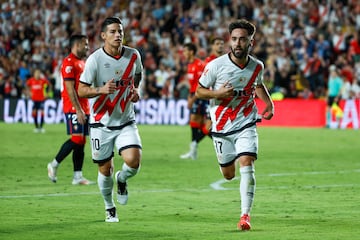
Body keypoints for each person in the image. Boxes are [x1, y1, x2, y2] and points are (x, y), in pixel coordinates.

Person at [196, 19, 274, 231]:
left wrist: (269, 103)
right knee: (228, 174)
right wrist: (218, 93)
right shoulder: (215, 66)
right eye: (234, 39)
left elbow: (258, 84)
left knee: (247, 162)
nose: (238, 43)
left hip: (246, 121)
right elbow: (199, 91)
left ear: (251, 42)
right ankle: (228, 169)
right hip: (221, 127)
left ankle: (245, 216)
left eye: (242, 39)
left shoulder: (257, 66)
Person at [77, 17, 143, 223]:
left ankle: (122, 180)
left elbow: (137, 76)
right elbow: (81, 89)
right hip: (101, 123)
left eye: (120, 31)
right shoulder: (95, 60)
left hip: (125, 121)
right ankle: (109, 207)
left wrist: (135, 91)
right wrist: (101, 90)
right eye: (113, 31)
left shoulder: (134, 55)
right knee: (105, 169)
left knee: (133, 161)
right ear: (103, 36)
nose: (118, 35)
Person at [47, 34, 93, 185]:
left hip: (84, 106)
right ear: (77, 45)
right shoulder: (68, 62)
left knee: (81, 141)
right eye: (85, 44)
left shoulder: (82, 62)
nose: (87, 47)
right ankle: (53, 164)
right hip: (73, 106)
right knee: (77, 139)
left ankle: (77, 176)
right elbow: (69, 88)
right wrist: (78, 110)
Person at [179, 42, 207, 160]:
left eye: (185, 51)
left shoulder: (199, 64)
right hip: (194, 95)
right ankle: (193, 150)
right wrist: (189, 97)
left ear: (191, 52)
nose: (184, 53)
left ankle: (193, 148)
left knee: (197, 122)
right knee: (197, 124)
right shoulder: (190, 65)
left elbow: (201, 84)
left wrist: (193, 98)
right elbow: (192, 84)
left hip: (200, 96)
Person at [26, 69, 51, 133]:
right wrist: (29, 93)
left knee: (42, 112)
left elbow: (50, 85)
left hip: (41, 99)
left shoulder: (43, 80)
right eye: (36, 73)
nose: (37, 74)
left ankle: (41, 127)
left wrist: (47, 94)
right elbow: (27, 86)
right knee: (34, 113)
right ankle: (37, 127)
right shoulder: (31, 80)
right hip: (34, 99)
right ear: (34, 74)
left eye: (39, 73)